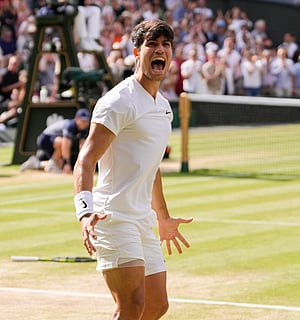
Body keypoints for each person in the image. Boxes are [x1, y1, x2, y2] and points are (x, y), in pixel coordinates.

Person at [72, 19, 193, 320]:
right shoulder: (117, 102)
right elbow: (85, 160)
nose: (160, 50)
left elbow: (152, 166)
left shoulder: (164, 107)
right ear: (137, 52)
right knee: (132, 304)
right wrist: (85, 212)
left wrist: (163, 218)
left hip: (142, 219)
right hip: (112, 216)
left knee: (156, 305)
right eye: (153, 44)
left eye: (166, 44)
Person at [20, 108, 91, 174]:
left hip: (54, 142)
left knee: (58, 166)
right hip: (45, 139)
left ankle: (35, 163)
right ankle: (49, 164)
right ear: (77, 119)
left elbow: (82, 145)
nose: (85, 123)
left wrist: (83, 161)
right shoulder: (70, 125)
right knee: (63, 142)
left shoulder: (83, 129)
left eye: (87, 121)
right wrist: (67, 163)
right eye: (83, 120)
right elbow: (65, 145)